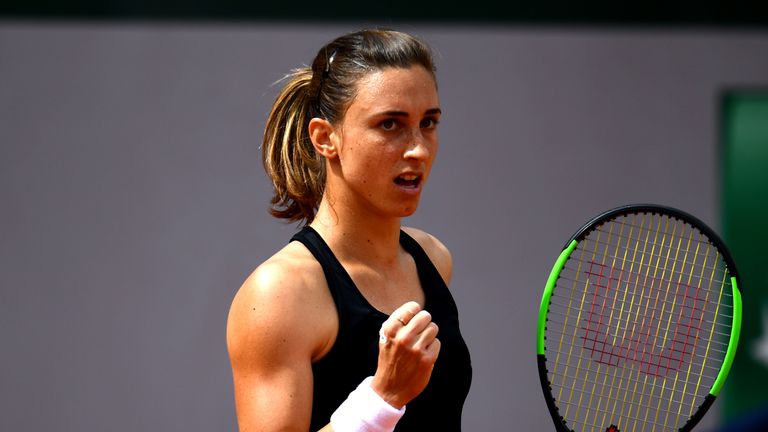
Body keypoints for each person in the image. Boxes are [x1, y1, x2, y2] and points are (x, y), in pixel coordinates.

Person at [226, 28, 472, 431]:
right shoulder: (278, 296)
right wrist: (382, 399)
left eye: (428, 123)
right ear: (326, 137)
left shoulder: (434, 258)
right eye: (390, 125)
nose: (419, 149)